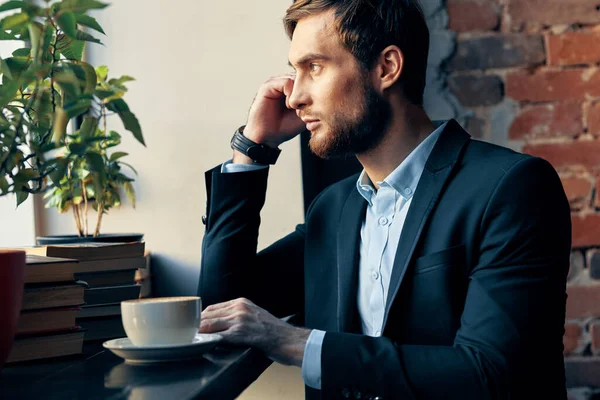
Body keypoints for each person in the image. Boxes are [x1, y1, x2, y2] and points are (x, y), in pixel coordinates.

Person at [197, 0, 571, 398]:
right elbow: (219, 310)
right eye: (295, 72)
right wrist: (250, 151)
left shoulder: (512, 188)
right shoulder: (332, 210)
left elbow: (490, 373)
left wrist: (294, 342)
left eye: (314, 67)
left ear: (387, 67)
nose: (294, 97)